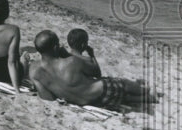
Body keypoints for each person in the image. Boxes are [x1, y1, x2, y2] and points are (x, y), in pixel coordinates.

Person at [26, 31, 158, 110]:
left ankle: (147, 98)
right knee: (122, 83)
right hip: (102, 93)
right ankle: (145, 91)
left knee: (122, 96)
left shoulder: (34, 71)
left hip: (90, 102)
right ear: (56, 47)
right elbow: (96, 73)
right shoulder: (72, 62)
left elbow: (47, 98)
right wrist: (70, 54)